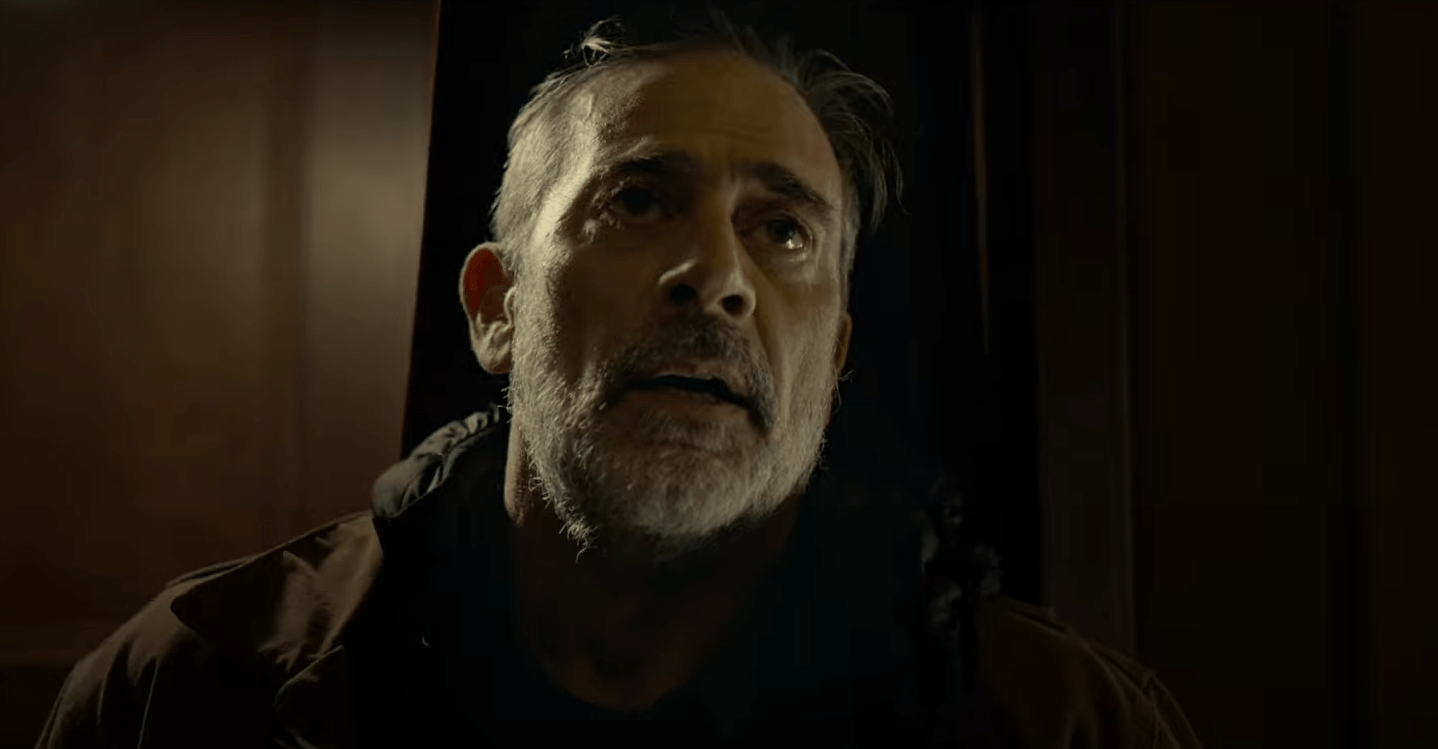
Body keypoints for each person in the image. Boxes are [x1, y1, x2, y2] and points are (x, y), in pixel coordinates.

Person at [36, 14, 1202, 749]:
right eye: (640, 200)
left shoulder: (1061, 723)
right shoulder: (187, 688)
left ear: (834, 353)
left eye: (782, 230)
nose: (717, 278)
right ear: (496, 306)